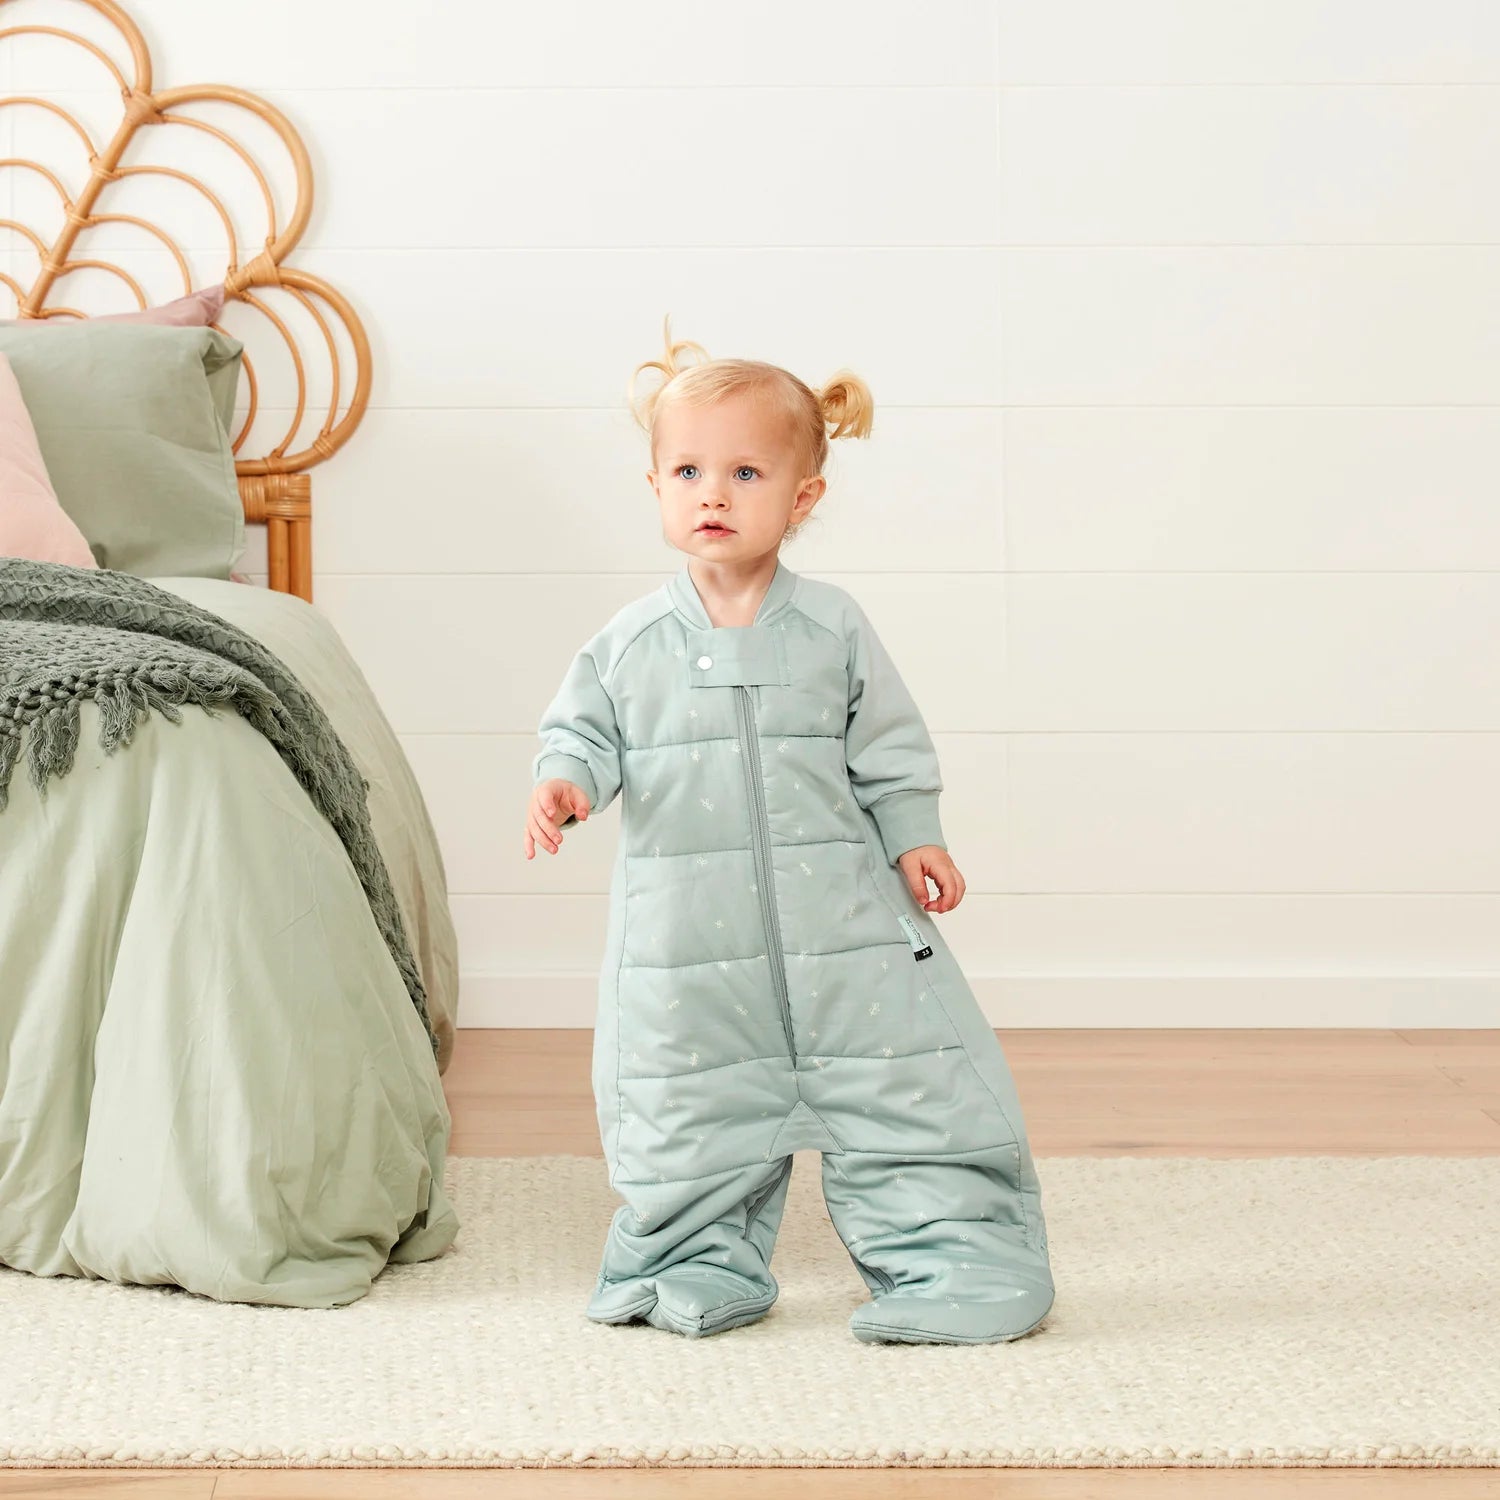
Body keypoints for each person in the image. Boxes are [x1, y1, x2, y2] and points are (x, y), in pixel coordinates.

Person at [523, 323, 1054, 1344]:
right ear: (655, 486)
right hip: (687, 948)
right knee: (686, 1106)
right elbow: (580, 728)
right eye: (688, 470)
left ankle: (954, 1263)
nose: (712, 493)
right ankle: (689, 1264)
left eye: (745, 471)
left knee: (909, 1087)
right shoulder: (631, 643)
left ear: (802, 498)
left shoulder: (833, 629)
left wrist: (917, 837)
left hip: (845, 929)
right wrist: (565, 782)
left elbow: (889, 749)